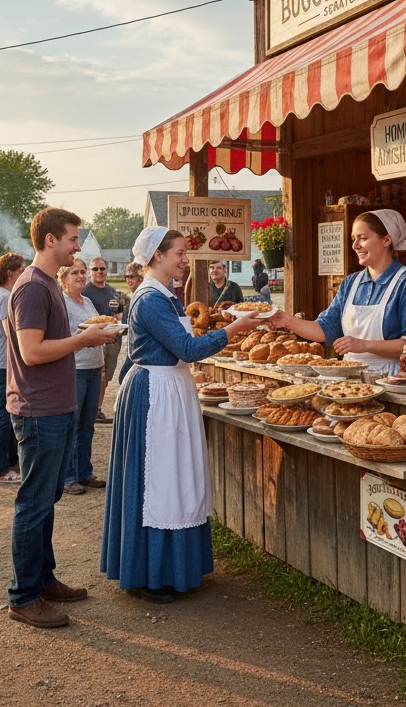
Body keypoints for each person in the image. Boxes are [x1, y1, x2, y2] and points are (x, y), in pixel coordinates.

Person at [100, 227, 261, 604]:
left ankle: (173, 569)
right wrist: (234, 330)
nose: (185, 261)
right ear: (157, 256)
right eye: (179, 254)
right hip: (154, 393)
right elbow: (187, 348)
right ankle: (148, 575)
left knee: (175, 478)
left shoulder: (166, 296)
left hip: (170, 389)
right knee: (158, 482)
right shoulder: (151, 300)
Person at [5, 207, 117, 629]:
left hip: (56, 406)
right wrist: (84, 339)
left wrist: (83, 339)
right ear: (50, 240)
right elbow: (32, 353)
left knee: (46, 500)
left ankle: (43, 578)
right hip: (38, 409)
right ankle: (23, 596)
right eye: (72, 238)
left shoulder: (47, 284)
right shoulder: (32, 288)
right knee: (33, 503)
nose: (77, 245)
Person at [266, 210, 406, 375]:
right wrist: (287, 320)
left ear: (387, 240)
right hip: (351, 380)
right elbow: (325, 329)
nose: (355, 246)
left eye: (363, 238)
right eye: (354, 239)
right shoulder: (351, 283)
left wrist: (365, 345)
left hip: (395, 379)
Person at [57, 257, 106, 495]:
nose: (81, 276)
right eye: (75, 273)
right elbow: (62, 338)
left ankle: (85, 472)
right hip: (75, 369)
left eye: (82, 272)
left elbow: (98, 326)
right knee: (71, 425)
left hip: (94, 368)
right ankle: (67, 477)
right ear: (63, 279)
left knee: (87, 425)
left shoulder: (86, 301)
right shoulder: (61, 303)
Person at [0, 252, 26, 485]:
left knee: (7, 412)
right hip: (2, 364)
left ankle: (10, 461)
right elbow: (11, 333)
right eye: (20, 269)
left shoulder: (1, 294)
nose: (23, 273)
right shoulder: (3, 297)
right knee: (4, 414)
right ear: (9, 272)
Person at [82, 256, 122, 424]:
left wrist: (119, 317)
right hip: (93, 339)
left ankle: (97, 409)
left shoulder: (112, 291)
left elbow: (118, 312)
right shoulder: (85, 291)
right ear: (90, 272)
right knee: (98, 373)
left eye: (102, 269)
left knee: (106, 377)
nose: (99, 272)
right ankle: (90, 409)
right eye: (95, 269)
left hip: (111, 338)